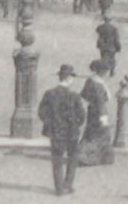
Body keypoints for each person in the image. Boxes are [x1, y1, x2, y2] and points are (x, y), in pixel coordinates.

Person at [39, 64, 87, 196]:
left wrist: (52, 124)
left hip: (56, 132)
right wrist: (75, 125)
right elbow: (82, 116)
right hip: (71, 132)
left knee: (57, 160)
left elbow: (42, 113)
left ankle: (59, 188)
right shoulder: (74, 96)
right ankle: (68, 184)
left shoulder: (49, 94)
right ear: (69, 78)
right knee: (72, 158)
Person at [79, 59, 114, 167]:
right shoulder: (98, 85)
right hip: (99, 112)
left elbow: (83, 94)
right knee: (100, 134)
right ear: (102, 71)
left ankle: (90, 156)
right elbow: (100, 103)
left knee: (90, 133)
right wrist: (103, 117)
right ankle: (90, 157)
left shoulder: (90, 81)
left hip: (92, 111)